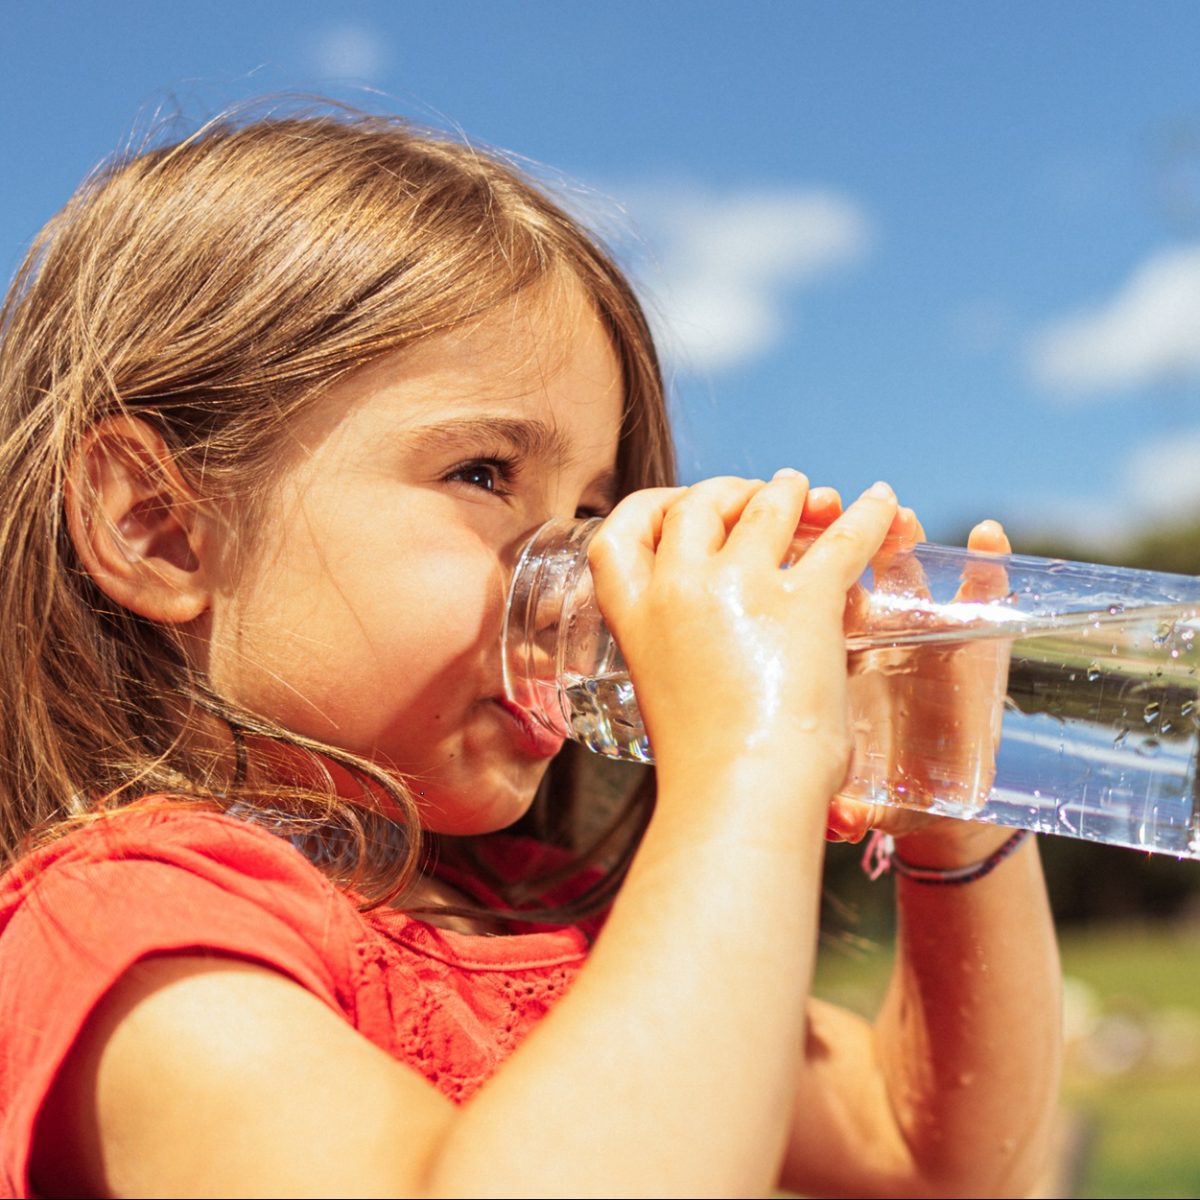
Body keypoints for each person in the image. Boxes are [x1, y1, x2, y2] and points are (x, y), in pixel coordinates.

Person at [0, 102, 1061, 1198]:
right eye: (483, 474)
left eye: (597, 511)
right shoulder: (126, 936)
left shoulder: (537, 914)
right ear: (158, 527)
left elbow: (931, 1152)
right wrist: (748, 769)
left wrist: (950, 805)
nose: (585, 578)